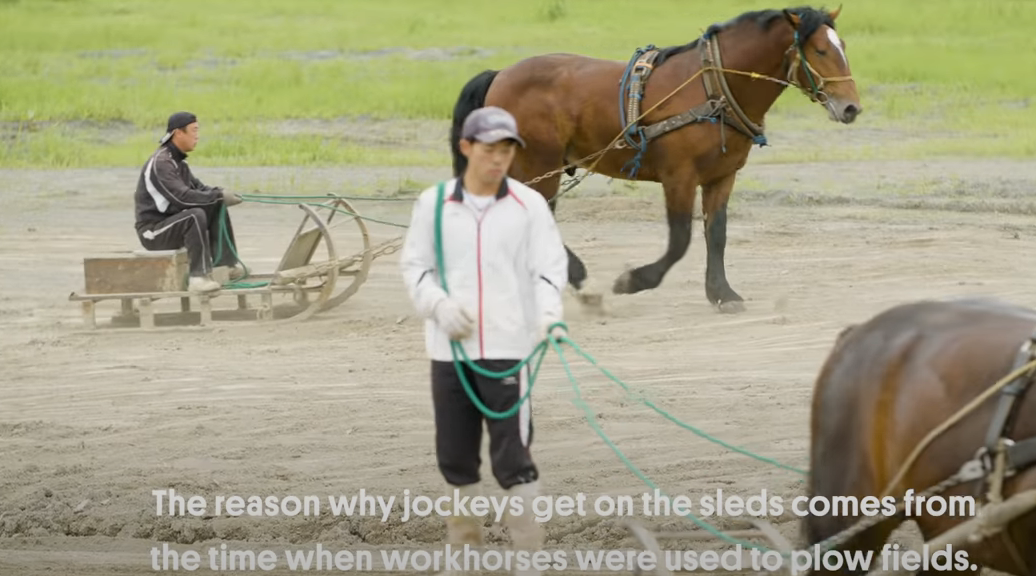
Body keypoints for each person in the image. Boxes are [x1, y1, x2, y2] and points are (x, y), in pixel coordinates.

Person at [399, 106, 569, 576]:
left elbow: (549, 269)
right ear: (466, 148)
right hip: (447, 348)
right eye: (491, 150)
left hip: (509, 347)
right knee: (454, 455)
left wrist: (550, 316)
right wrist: (438, 305)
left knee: (513, 456)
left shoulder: (528, 205)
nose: (499, 160)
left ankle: (528, 559)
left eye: (507, 151)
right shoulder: (433, 205)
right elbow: (416, 268)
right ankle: (464, 553)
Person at [134, 111, 245, 293]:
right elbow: (182, 198)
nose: (197, 136)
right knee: (195, 215)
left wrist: (221, 194)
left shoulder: (179, 164)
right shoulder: (161, 163)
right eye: (194, 130)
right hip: (153, 232)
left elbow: (201, 190)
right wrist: (217, 195)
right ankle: (198, 278)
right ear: (178, 133)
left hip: (173, 223)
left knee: (216, 204)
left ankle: (226, 265)